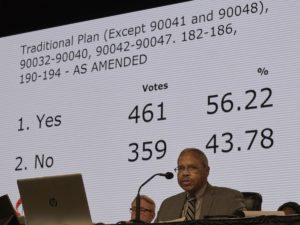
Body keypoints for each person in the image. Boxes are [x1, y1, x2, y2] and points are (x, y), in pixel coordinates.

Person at [155, 148, 246, 222]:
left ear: (206, 171)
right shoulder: (167, 205)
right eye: (181, 168)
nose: (185, 173)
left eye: (192, 168)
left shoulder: (229, 198)